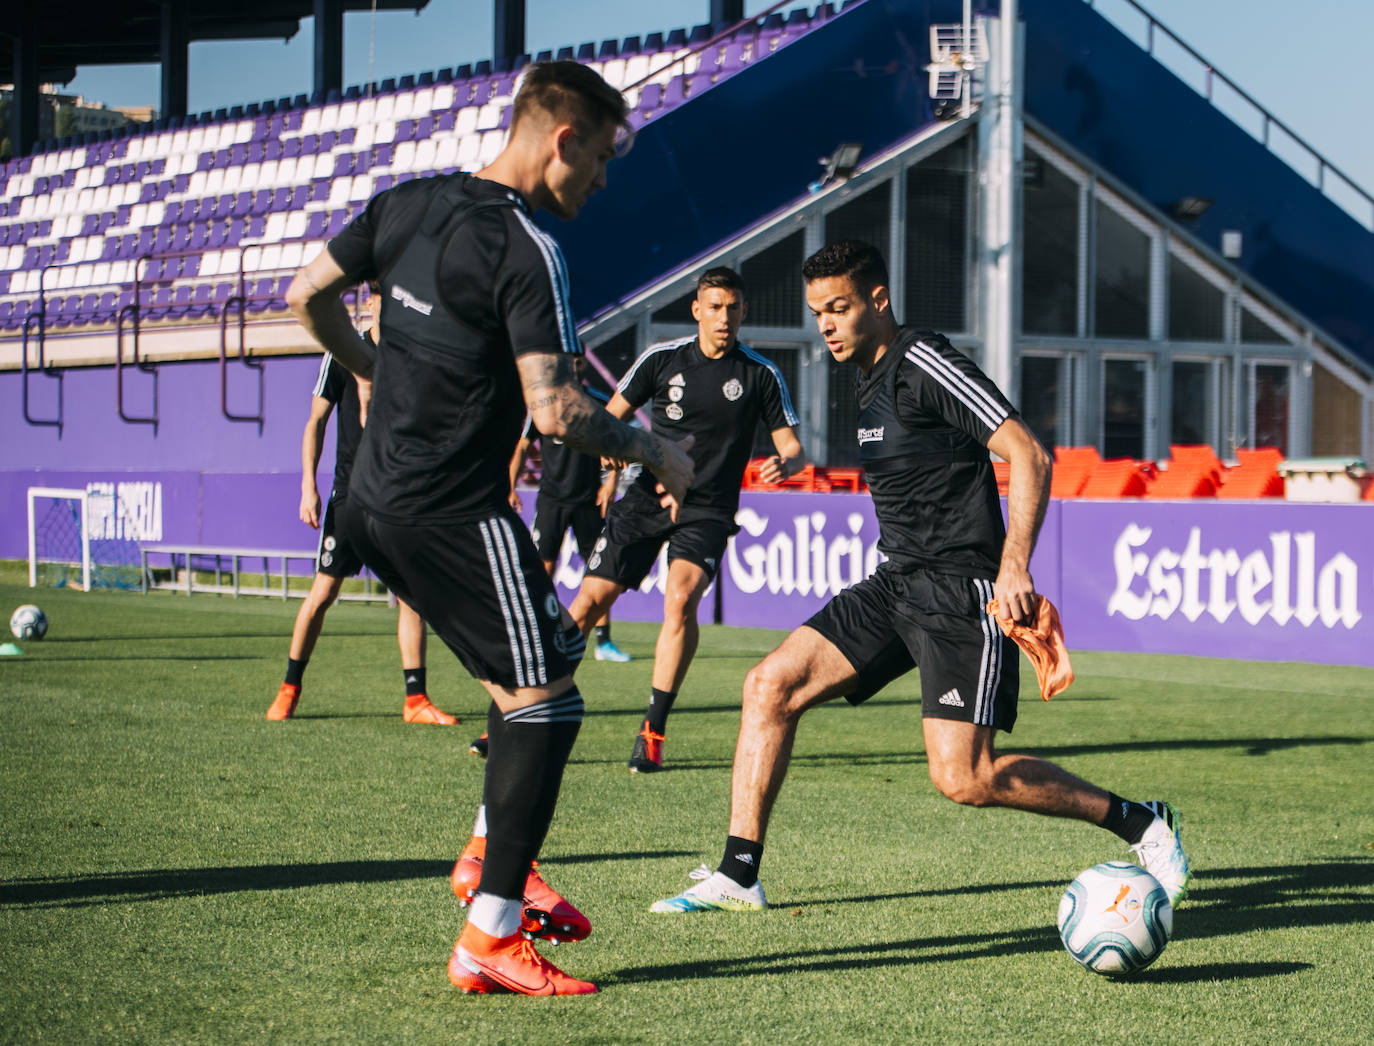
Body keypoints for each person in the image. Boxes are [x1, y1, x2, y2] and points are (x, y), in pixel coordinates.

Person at [284, 61, 694, 996]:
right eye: (598, 158)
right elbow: (555, 411)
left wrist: (374, 370)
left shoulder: (406, 202)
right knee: (551, 702)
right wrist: (657, 453)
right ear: (563, 139)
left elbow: (304, 295)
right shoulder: (526, 247)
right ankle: (490, 932)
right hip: (449, 510)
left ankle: (487, 857)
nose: (599, 179)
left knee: (535, 673)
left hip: (372, 504)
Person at [650, 240, 1190, 916]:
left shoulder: (923, 359)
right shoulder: (867, 379)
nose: (826, 325)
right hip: (896, 584)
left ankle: (1141, 822)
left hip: (964, 595)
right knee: (768, 686)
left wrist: (1014, 564)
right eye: (818, 312)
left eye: (839, 308)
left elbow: (1028, 453)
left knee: (964, 777)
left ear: (878, 301)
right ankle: (738, 873)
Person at [568, 267, 807, 773]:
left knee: (679, 601)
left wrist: (785, 464)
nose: (724, 317)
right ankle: (529, 705)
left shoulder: (760, 374)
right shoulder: (662, 359)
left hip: (707, 511)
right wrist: (611, 450)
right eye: (715, 306)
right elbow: (610, 417)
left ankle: (652, 731)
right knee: (587, 603)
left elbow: (794, 448)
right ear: (697, 309)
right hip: (646, 499)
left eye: (733, 307)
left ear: (745, 311)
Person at [266, 296, 456, 726]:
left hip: (397, 498)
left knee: (411, 597)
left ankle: (416, 700)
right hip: (350, 496)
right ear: (370, 303)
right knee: (323, 593)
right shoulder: (343, 351)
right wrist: (307, 488)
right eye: (381, 297)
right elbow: (316, 421)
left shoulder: (411, 358)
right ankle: (289, 688)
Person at [467, 358, 630, 760]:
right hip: (552, 500)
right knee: (541, 571)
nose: (572, 368)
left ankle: (604, 642)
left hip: (588, 501)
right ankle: (538, 630)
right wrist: (510, 485)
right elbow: (523, 446)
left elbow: (616, 443)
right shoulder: (541, 403)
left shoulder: (596, 402)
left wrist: (610, 484)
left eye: (577, 362)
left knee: (599, 575)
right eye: (566, 363)